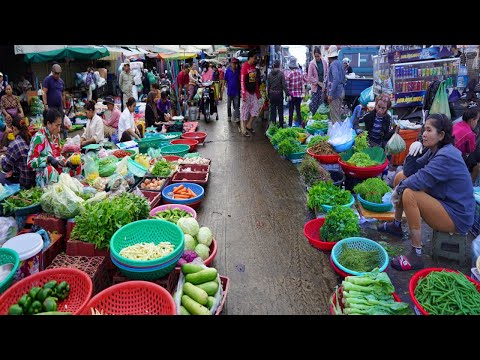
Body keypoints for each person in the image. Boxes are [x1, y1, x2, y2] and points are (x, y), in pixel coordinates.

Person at [378, 113, 475, 271]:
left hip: (456, 215)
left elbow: (420, 179)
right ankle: (396, 225)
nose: (423, 133)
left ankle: (416, 254)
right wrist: (412, 151)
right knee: (400, 177)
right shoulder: (435, 150)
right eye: (424, 129)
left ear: (441, 135)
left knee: (409, 194)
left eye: (429, 130)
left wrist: (399, 190)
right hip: (443, 200)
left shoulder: (446, 155)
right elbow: (411, 171)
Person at [27, 108, 77, 187]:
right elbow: (30, 162)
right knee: (50, 170)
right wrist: (47, 159)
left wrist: (66, 162)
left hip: (56, 169)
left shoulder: (56, 136)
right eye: (57, 125)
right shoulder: (39, 138)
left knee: (75, 166)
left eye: (60, 125)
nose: (59, 129)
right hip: (43, 175)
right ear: (48, 123)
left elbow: (58, 155)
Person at [0, 115, 35, 188]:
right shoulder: (31, 139)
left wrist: (2, 158)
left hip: (23, 183)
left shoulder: (14, 144)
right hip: (33, 181)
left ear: (14, 128)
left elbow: (5, 167)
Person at [453, 107, 480, 182]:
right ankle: (470, 184)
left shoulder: (457, 124)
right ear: (472, 120)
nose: (477, 123)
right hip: (454, 158)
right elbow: (471, 150)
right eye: (477, 120)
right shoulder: (470, 134)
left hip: (449, 152)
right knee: (477, 164)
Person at [42, 64, 67, 139]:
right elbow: (44, 92)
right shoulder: (47, 80)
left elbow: (63, 94)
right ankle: (53, 139)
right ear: (52, 72)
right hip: (51, 107)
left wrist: (64, 106)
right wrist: (45, 104)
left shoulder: (61, 81)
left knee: (62, 122)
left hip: (59, 106)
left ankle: (64, 139)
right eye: (56, 73)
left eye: (59, 73)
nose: (57, 75)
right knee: (54, 124)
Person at [240, 50, 261, 137]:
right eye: (254, 58)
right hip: (246, 92)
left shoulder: (253, 67)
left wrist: (257, 92)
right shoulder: (245, 66)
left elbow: (254, 81)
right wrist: (244, 93)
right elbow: (242, 81)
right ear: (250, 57)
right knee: (245, 111)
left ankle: (249, 125)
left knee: (256, 109)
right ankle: (244, 129)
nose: (255, 59)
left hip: (253, 92)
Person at [305, 46, 328, 115]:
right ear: (314, 56)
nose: (317, 58)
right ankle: (313, 120)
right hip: (315, 88)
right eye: (315, 56)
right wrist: (318, 82)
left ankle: (320, 120)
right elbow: (309, 77)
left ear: (320, 55)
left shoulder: (324, 62)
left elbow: (327, 73)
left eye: (318, 56)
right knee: (314, 106)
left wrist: (324, 83)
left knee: (321, 105)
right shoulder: (312, 64)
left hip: (322, 88)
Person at [326, 45, 346, 123]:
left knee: (335, 117)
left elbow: (336, 79)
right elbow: (344, 78)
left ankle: (337, 134)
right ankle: (338, 133)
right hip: (341, 91)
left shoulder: (333, 64)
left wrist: (330, 94)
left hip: (335, 93)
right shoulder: (340, 63)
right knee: (337, 114)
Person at [267, 59, 289, 128]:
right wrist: (287, 94)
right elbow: (284, 85)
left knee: (273, 112)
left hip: (272, 95)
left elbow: (268, 86)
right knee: (280, 112)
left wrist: (268, 95)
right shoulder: (281, 73)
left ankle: (273, 126)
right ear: (279, 65)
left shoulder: (270, 74)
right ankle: (281, 126)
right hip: (279, 95)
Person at [285, 57, 303, 127]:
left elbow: (287, 86)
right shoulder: (299, 73)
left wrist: (288, 95)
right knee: (298, 111)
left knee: (291, 111)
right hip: (298, 95)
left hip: (292, 96)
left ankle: (290, 125)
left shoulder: (289, 74)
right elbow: (302, 84)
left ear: (290, 66)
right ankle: (300, 125)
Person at [224, 57, 241, 122]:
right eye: (233, 63)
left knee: (237, 105)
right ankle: (229, 116)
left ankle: (237, 117)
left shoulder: (238, 71)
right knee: (228, 105)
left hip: (236, 91)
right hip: (229, 92)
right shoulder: (228, 71)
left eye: (235, 63)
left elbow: (240, 79)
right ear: (231, 63)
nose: (234, 64)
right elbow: (225, 79)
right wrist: (222, 87)